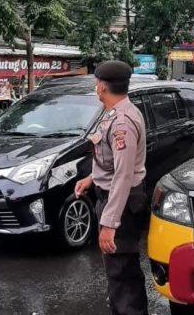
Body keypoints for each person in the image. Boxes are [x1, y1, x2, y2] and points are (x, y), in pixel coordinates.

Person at [74, 60, 148, 315]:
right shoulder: (115, 113)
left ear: (102, 87)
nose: (96, 87)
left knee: (122, 272)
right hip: (117, 199)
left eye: (97, 83)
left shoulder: (122, 122)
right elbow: (111, 164)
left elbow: (123, 176)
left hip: (122, 205)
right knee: (119, 272)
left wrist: (109, 223)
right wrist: (91, 179)